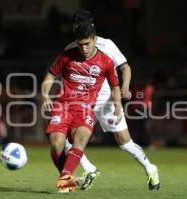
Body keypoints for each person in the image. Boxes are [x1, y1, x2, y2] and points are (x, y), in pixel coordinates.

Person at [64, 9, 160, 190]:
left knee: (125, 144)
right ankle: (89, 169)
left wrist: (124, 87)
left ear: (92, 27)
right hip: (83, 101)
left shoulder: (106, 45)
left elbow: (125, 67)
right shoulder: (71, 49)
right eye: (77, 27)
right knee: (67, 138)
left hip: (107, 100)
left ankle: (150, 167)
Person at [41, 22, 122, 193]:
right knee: (57, 146)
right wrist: (45, 94)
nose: (83, 48)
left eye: (87, 44)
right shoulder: (67, 56)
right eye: (80, 44)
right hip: (62, 105)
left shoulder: (106, 62)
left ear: (94, 39)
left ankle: (65, 178)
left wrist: (118, 105)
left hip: (85, 109)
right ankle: (66, 177)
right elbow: (50, 74)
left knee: (81, 140)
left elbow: (115, 87)